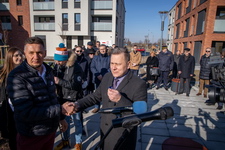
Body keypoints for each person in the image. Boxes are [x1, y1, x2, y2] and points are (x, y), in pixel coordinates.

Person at [6, 37, 74, 150]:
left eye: (39, 52)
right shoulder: (16, 76)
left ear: (45, 53)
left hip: (50, 131)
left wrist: (61, 118)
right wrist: (60, 110)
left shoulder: (48, 70)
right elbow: (25, 112)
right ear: (25, 54)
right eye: (31, 53)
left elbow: (52, 97)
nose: (35, 57)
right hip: (31, 135)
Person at [74, 47, 147, 150]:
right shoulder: (108, 77)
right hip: (105, 131)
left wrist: (120, 100)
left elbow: (140, 115)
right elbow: (95, 96)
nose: (114, 67)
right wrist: (77, 104)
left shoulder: (139, 84)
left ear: (128, 64)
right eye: (112, 63)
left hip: (122, 136)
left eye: (118, 64)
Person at [53, 43, 83, 150]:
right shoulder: (58, 66)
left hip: (75, 99)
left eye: (59, 61)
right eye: (56, 60)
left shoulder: (76, 67)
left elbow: (76, 85)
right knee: (65, 122)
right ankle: (66, 141)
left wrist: (59, 81)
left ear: (65, 59)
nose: (57, 63)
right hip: (62, 99)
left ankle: (78, 143)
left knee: (77, 122)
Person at [0, 47, 23, 150]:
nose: (19, 57)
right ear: (10, 58)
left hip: (22, 114)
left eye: (20, 55)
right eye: (16, 55)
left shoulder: (25, 73)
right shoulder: (2, 75)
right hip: (7, 115)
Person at [90, 44, 110, 113]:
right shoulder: (96, 58)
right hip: (97, 78)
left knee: (106, 93)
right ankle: (97, 107)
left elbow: (111, 68)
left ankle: (105, 106)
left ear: (106, 49)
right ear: (99, 50)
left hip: (106, 78)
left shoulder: (109, 58)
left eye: (104, 49)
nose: (103, 50)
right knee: (97, 93)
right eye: (101, 49)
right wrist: (98, 75)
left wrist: (104, 75)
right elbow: (92, 67)